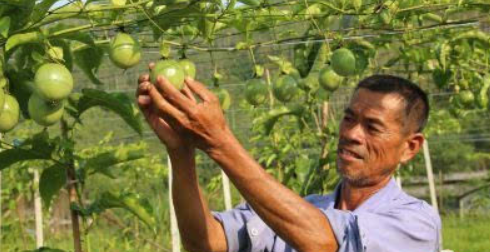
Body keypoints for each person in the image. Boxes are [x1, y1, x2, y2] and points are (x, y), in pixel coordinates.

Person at [136, 71, 441, 252]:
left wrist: (219, 140)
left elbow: (322, 243)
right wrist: (180, 151)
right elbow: (207, 243)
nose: (351, 134)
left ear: (409, 147)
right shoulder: (301, 208)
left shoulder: (416, 223)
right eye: (349, 118)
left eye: (372, 127)